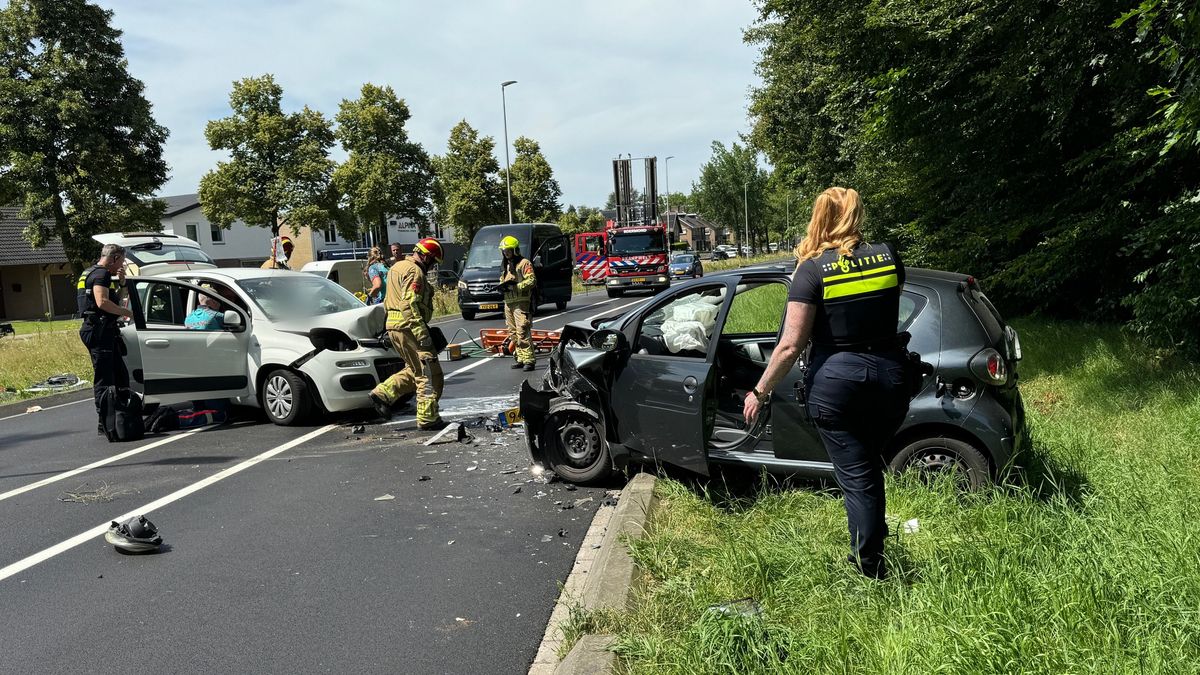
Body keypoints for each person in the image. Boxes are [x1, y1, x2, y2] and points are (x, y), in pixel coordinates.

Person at [743, 187, 909, 580]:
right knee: (867, 467)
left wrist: (759, 391)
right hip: (891, 379)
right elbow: (887, 312)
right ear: (855, 214)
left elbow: (790, 345)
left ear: (820, 217)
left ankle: (870, 570)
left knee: (858, 477)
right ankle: (872, 540)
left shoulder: (813, 269)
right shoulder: (888, 255)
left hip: (838, 385)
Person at [368, 238, 447, 431]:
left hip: (394, 326)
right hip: (409, 327)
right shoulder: (415, 272)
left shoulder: (397, 267)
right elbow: (408, 304)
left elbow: (389, 300)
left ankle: (383, 393)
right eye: (433, 262)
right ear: (427, 257)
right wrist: (422, 334)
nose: (432, 266)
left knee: (415, 369)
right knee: (429, 374)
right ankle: (428, 419)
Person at [77, 243, 134, 434]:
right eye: (122, 261)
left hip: (99, 328)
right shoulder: (102, 274)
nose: (122, 265)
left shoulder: (90, 272)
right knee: (105, 378)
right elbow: (102, 302)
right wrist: (126, 313)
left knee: (120, 374)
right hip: (99, 329)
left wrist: (123, 283)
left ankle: (120, 416)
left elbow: (112, 299)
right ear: (115, 257)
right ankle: (105, 423)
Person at [498, 235, 536, 371]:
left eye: (508, 250)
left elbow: (531, 280)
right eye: (504, 251)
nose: (506, 253)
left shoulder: (524, 263)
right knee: (513, 332)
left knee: (522, 330)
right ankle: (520, 358)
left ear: (515, 249)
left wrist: (516, 287)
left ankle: (529, 360)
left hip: (521, 302)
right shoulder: (506, 266)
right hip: (508, 303)